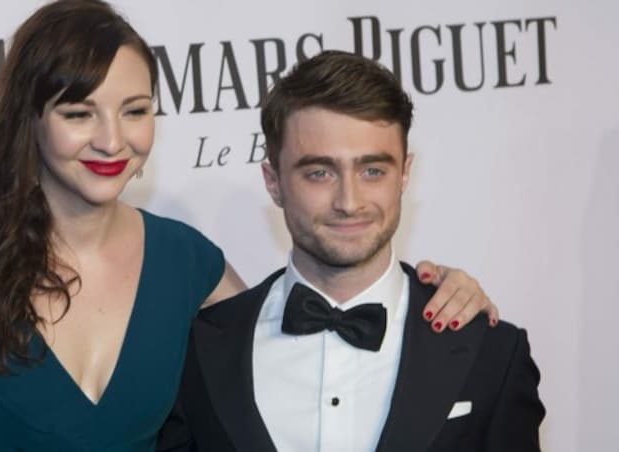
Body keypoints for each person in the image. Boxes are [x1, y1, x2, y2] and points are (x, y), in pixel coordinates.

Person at [0, 2, 499, 451]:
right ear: (29, 121)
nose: (112, 139)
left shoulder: (189, 265)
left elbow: (306, 333)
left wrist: (442, 289)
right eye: (78, 112)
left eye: (135, 110)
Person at [157, 51, 544, 452]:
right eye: (319, 173)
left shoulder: (491, 352)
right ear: (273, 181)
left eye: (372, 170)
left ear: (405, 173)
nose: (349, 200)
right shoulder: (199, 352)